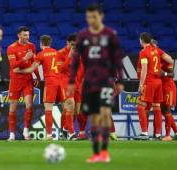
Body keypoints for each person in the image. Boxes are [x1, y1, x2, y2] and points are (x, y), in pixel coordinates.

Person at [68, 4, 123, 163]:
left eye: (94, 16)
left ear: (101, 16)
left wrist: (120, 80)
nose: (91, 20)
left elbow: (117, 59)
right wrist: (71, 80)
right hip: (89, 82)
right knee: (93, 117)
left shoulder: (110, 35)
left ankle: (104, 152)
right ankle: (95, 153)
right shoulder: (83, 36)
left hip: (105, 81)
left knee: (105, 113)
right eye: (88, 17)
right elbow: (75, 61)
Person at [14, 35, 65, 140]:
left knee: (48, 109)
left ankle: (50, 135)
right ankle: (65, 133)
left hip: (50, 82)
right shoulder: (57, 53)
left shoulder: (41, 54)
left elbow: (31, 69)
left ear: (41, 43)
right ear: (50, 43)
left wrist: (19, 71)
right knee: (65, 108)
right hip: (60, 81)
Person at [136, 32, 174, 140]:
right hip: (158, 82)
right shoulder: (157, 50)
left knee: (140, 106)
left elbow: (144, 69)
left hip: (149, 82)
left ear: (142, 40)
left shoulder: (143, 52)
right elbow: (170, 60)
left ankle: (144, 133)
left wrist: (141, 85)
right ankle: (157, 134)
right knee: (157, 107)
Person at [7, 26, 40, 141]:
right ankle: (11, 134)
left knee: (29, 105)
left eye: (28, 35)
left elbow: (33, 62)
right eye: (25, 35)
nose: (27, 37)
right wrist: (25, 58)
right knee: (12, 108)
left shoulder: (31, 46)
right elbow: (13, 66)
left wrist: (37, 76)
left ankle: (26, 131)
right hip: (15, 80)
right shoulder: (11, 48)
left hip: (27, 80)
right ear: (19, 35)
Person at [57, 33, 78, 140]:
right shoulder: (60, 53)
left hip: (75, 82)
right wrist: (69, 57)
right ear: (67, 43)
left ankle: (64, 129)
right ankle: (71, 133)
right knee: (70, 104)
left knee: (70, 108)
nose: (74, 47)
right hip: (64, 81)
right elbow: (60, 69)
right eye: (72, 44)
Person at [161, 60, 177, 141]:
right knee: (162, 111)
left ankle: (167, 135)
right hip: (162, 88)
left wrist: (164, 73)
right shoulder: (155, 60)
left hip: (169, 88)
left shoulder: (167, 60)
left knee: (167, 110)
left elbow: (172, 74)